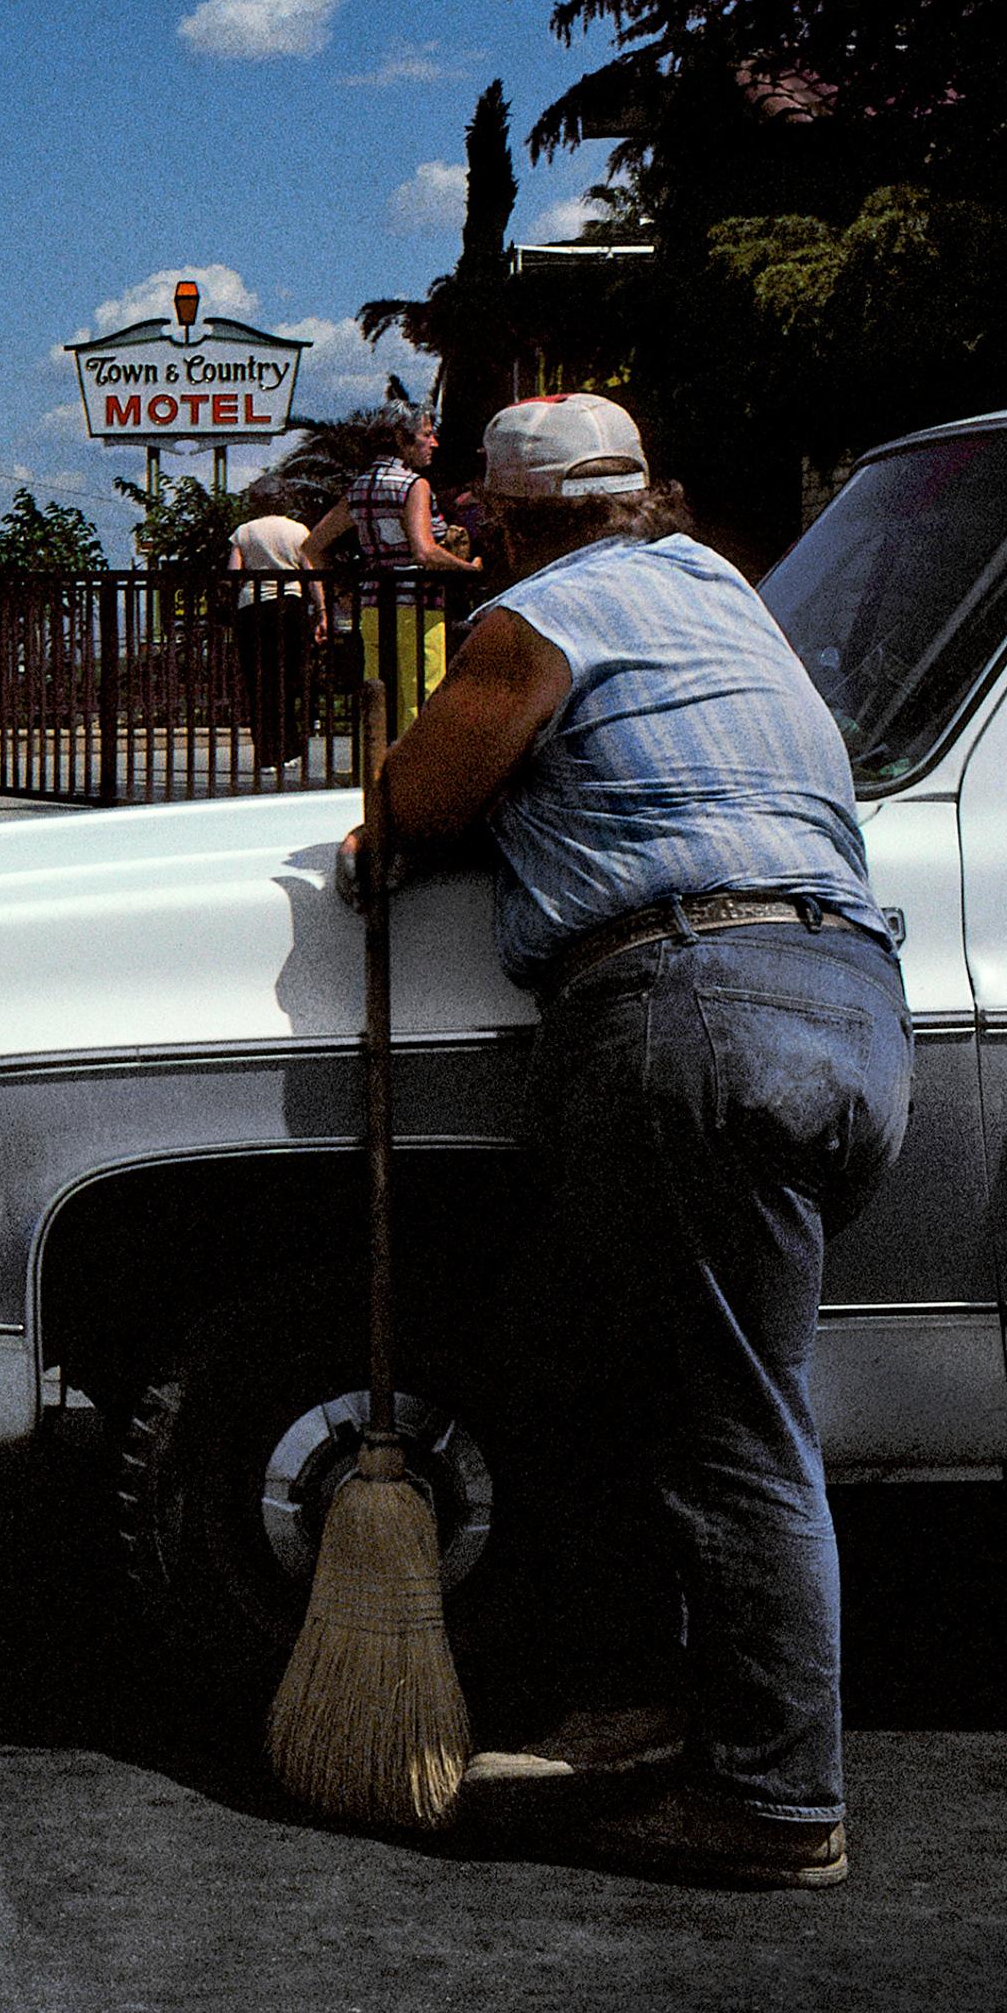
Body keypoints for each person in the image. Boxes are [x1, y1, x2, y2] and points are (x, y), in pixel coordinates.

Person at [341, 392, 909, 1893]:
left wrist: (380, 821)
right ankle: (634, 1702)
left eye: (481, 524)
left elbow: (414, 803)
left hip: (692, 1010)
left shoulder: (534, 625)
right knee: (587, 1365)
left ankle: (779, 1804)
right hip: (848, 1010)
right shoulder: (720, 591)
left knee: (732, 1427)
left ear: (511, 524)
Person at [303, 408, 477, 728]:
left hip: (372, 605)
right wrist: (466, 568)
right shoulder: (414, 485)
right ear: (402, 439)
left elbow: (313, 546)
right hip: (418, 605)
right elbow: (424, 551)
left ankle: (374, 766)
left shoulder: (359, 487)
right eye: (426, 435)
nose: (433, 443)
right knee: (423, 691)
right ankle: (420, 768)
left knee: (377, 690)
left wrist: (342, 590)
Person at [224, 480, 321, 769]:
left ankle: (266, 754)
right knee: (287, 679)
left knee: (258, 681)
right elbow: (311, 571)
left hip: (252, 607)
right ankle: (290, 748)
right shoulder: (298, 530)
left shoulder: (244, 532)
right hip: (289, 605)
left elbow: (233, 574)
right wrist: (322, 610)